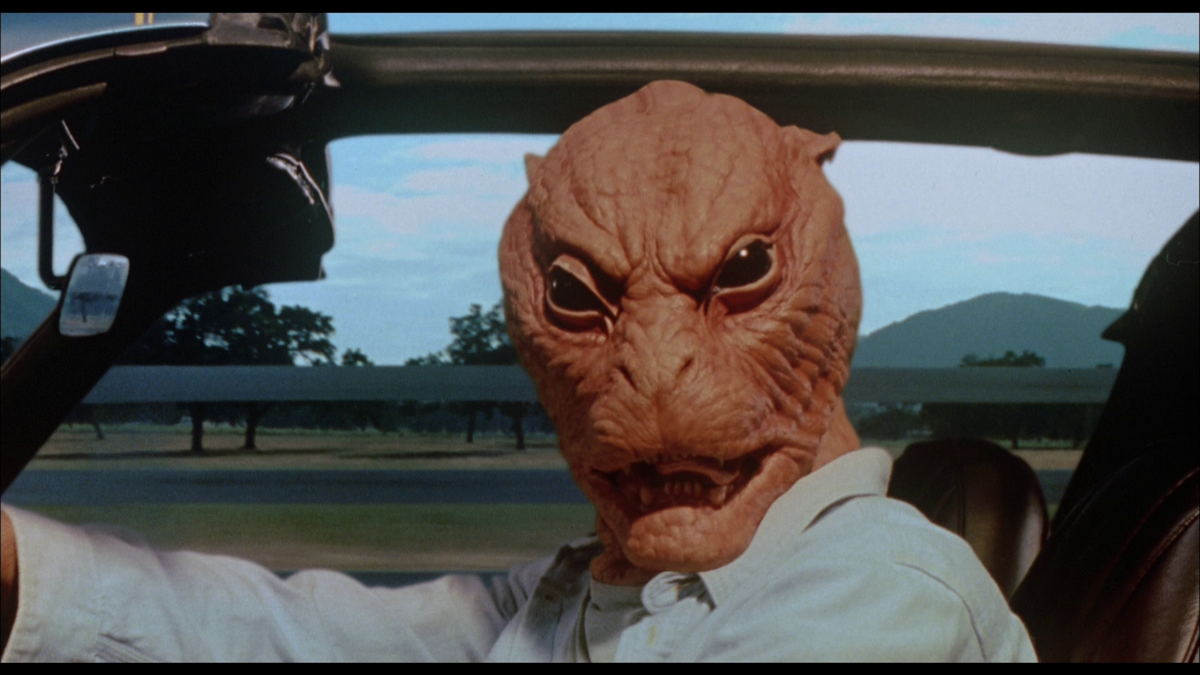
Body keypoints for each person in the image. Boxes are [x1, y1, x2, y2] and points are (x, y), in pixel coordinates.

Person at [0, 81, 1035, 662]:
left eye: (740, 278)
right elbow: (310, 632)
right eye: (578, 298)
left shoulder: (884, 594)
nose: (654, 372)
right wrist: (20, 567)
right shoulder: (585, 587)